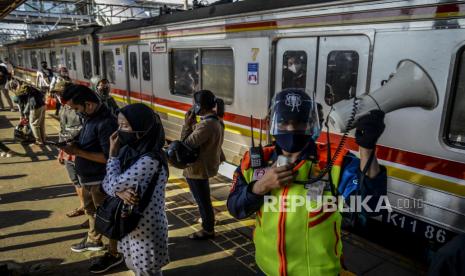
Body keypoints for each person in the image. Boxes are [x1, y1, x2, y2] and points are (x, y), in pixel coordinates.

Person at [227, 88, 387, 276]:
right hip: (265, 269)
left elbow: (371, 207)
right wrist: (261, 186)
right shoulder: (255, 161)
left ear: (313, 125)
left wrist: (367, 150)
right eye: (283, 122)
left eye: (301, 123)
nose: (291, 129)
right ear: (271, 123)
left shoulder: (335, 163)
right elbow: (235, 208)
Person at [103, 103, 169, 276]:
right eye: (119, 125)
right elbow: (107, 183)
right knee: (132, 263)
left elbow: (113, 182)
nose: (119, 131)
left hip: (145, 227)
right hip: (128, 224)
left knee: (147, 271)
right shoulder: (129, 151)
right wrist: (118, 191)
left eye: (125, 126)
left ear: (142, 129)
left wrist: (112, 155)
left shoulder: (150, 160)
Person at [61, 84, 122, 274]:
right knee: (91, 212)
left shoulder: (106, 123)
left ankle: (114, 253)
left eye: (76, 108)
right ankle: (93, 240)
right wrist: (76, 144)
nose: (75, 112)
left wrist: (77, 151)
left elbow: (108, 157)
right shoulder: (89, 117)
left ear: (88, 104)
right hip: (88, 179)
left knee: (108, 217)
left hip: (100, 181)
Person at [181, 90, 225, 240]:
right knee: (204, 198)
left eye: (194, 104)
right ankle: (208, 220)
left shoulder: (206, 124)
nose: (192, 107)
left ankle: (208, 229)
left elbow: (186, 144)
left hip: (197, 168)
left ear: (200, 107)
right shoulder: (216, 120)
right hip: (205, 166)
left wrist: (187, 125)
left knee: (202, 200)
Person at [53, 79, 87, 223]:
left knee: (85, 183)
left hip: (79, 150)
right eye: (58, 94)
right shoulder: (63, 107)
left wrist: (69, 143)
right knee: (75, 181)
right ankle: (83, 206)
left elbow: (84, 129)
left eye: (61, 93)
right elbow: (62, 129)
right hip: (67, 150)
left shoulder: (79, 108)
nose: (59, 97)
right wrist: (61, 151)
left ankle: (92, 214)